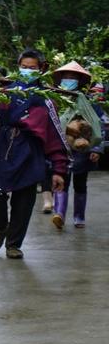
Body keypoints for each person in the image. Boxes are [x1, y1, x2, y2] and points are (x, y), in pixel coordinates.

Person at [0, 49, 68, 259]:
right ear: (17, 67)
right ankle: (1, 226)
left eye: (32, 68)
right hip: (2, 148)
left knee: (23, 202)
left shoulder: (46, 100)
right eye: (24, 67)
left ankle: (13, 244)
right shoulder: (6, 93)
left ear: (42, 69)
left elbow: (54, 136)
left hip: (30, 154)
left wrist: (59, 170)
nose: (27, 71)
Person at [51, 61, 103, 229]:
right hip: (61, 149)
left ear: (80, 81)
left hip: (83, 149)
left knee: (80, 183)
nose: (69, 80)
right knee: (61, 180)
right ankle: (59, 213)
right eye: (66, 77)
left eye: (73, 77)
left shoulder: (88, 101)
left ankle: (79, 216)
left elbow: (99, 124)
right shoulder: (55, 98)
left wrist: (96, 148)